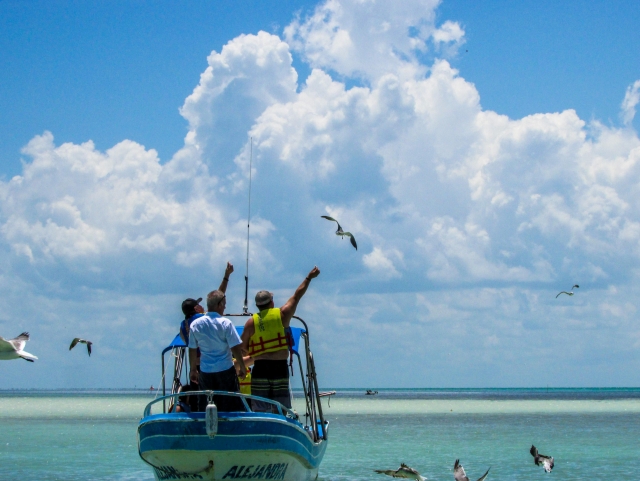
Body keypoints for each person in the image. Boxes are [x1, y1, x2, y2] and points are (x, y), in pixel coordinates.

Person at [241, 266, 320, 412]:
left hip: (260, 368)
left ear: (258, 306)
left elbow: (243, 347)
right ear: (272, 302)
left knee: (260, 407)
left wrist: (259, 354)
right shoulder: (283, 314)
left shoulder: (251, 322)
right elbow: (297, 296)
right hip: (279, 367)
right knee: (281, 408)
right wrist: (309, 277)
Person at [189, 285, 247, 412]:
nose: (225, 307)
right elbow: (235, 348)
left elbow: (192, 349)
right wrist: (242, 366)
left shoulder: (195, 324)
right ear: (219, 304)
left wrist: (193, 370)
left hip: (205, 371)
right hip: (225, 370)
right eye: (224, 304)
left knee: (206, 405)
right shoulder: (226, 323)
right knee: (229, 406)